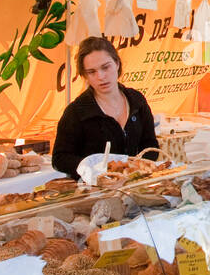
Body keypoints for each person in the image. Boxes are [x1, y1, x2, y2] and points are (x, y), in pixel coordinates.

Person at [52, 37, 159, 179]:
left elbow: (150, 143)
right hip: (94, 193)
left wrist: (137, 168)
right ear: (85, 75)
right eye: (92, 72)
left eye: (105, 67)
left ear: (117, 63)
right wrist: (94, 169)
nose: (100, 76)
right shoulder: (77, 112)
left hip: (135, 186)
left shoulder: (136, 101)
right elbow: (60, 159)